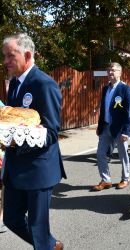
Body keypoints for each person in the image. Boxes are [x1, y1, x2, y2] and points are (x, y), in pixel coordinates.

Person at [2, 33, 66, 250]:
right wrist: (7, 139)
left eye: (10, 56)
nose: (6, 61)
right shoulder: (15, 83)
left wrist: (23, 139)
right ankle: (51, 245)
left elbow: (51, 132)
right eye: (5, 56)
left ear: (27, 54)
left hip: (37, 169)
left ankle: (45, 245)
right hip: (15, 168)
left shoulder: (44, 84)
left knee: (38, 230)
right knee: (11, 219)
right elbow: (13, 122)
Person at [92, 62, 130, 191]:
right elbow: (103, 109)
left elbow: (128, 111)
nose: (110, 72)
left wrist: (126, 130)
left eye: (113, 70)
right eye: (109, 70)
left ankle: (125, 179)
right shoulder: (105, 88)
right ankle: (106, 180)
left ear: (120, 72)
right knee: (100, 153)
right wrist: (99, 126)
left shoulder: (125, 89)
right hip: (105, 127)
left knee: (122, 154)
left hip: (120, 128)